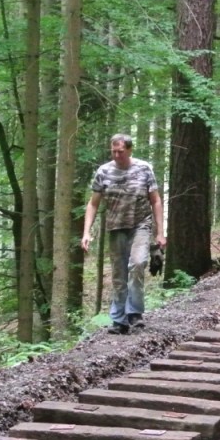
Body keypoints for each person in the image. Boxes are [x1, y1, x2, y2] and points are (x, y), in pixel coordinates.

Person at [82, 134, 165, 335]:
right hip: (115, 226)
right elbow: (93, 204)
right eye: (114, 151)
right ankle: (119, 319)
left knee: (137, 264)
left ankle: (135, 312)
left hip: (140, 224)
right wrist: (86, 232)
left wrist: (161, 232)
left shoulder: (144, 169)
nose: (117, 155)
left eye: (121, 151)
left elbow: (155, 200)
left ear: (129, 150)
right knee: (119, 274)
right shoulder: (104, 171)